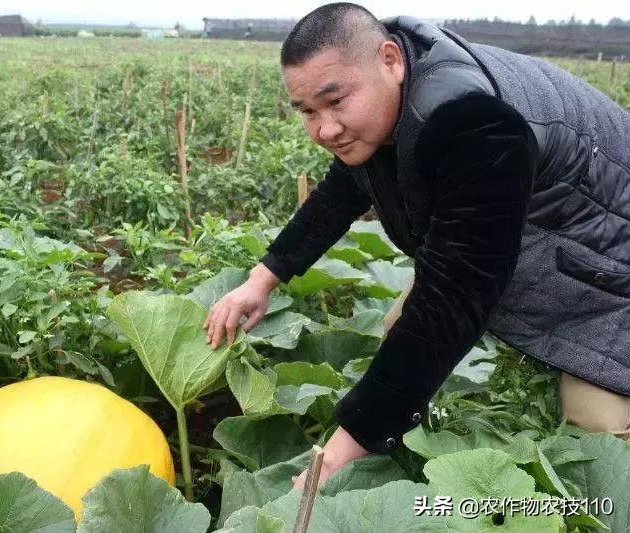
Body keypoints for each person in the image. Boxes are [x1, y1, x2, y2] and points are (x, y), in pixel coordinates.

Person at [201, 2, 630, 488]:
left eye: (335, 102)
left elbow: (452, 299)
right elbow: (341, 192)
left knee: (599, 435)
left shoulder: (473, 125)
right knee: (398, 330)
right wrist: (262, 280)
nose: (325, 130)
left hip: (608, 264)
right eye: (307, 112)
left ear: (390, 60)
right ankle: (400, 445)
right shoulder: (389, 104)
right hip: (540, 241)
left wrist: (338, 455)